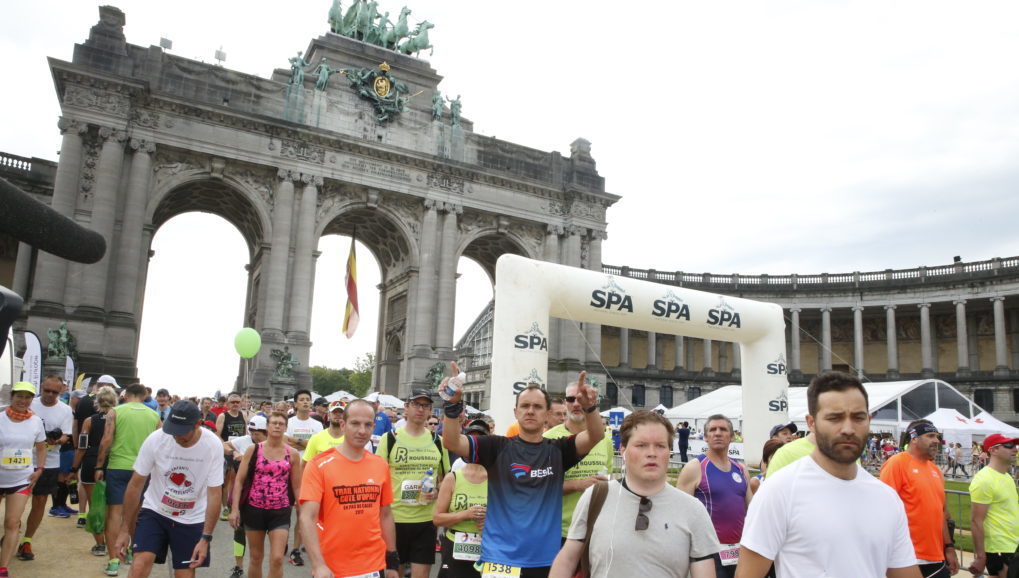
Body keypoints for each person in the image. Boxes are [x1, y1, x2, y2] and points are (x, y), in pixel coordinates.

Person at [736, 371, 920, 578]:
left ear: (868, 420)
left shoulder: (887, 498)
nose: (848, 429)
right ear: (811, 423)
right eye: (835, 418)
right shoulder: (778, 491)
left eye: (858, 418)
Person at [441, 365, 603, 578]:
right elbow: (452, 442)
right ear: (515, 412)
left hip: (545, 559)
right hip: (499, 559)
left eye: (537, 406)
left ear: (547, 414)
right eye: (525, 405)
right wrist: (452, 405)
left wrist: (590, 407)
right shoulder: (496, 447)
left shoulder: (559, 450)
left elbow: (595, 436)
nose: (530, 410)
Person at [550, 411, 718, 578]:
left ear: (669, 452)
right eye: (641, 445)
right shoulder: (596, 496)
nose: (652, 453)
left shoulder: (693, 509)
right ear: (623, 450)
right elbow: (567, 560)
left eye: (660, 445)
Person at [110, 401, 223, 578]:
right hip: (155, 511)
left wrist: (206, 537)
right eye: (172, 430)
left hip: (192, 517)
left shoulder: (213, 445)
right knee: (139, 566)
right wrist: (124, 529)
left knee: (184, 574)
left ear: (197, 424)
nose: (176, 437)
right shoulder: (156, 439)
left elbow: (215, 494)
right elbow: (135, 484)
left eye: (181, 432)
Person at [300, 399, 399, 578]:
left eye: (368, 424)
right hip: (332, 568)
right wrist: (318, 564)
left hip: (373, 565)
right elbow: (307, 517)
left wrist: (392, 562)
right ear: (343, 425)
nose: (362, 430)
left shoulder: (380, 465)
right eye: (355, 423)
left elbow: (385, 514)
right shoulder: (318, 464)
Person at [377, 389, 451, 578]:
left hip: (426, 520)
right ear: (407, 407)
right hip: (394, 519)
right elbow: (378, 479)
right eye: (416, 404)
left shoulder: (437, 441)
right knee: (394, 574)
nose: (420, 409)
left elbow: (446, 480)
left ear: (430, 410)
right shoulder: (390, 439)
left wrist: (436, 491)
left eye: (425, 405)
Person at [95, 382, 161, 576]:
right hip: (143, 470)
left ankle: (114, 561)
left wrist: (99, 465)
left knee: (114, 514)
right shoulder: (154, 415)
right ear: (144, 396)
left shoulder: (115, 411)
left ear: (126, 395)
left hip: (118, 466)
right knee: (136, 514)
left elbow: (106, 440)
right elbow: (160, 444)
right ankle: (132, 551)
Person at [879, 419, 958, 578]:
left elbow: (941, 513)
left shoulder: (935, 470)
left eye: (937, 436)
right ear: (914, 438)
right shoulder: (897, 463)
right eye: (930, 436)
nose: (936, 441)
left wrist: (949, 547)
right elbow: (882, 511)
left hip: (936, 557)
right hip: (908, 558)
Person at [676, 414, 752, 577]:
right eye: (712, 430)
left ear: (732, 436)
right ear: (705, 437)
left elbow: (751, 511)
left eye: (723, 429)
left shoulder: (741, 469)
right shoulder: (694, 468)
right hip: (708, 552)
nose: (717, 433)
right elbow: (678, 514)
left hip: (739, 550)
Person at [230, 411, 301, 578]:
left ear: (285, 427)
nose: (277, 426)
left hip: (280, 511)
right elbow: (239, 481)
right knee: (256, 557)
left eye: (281, 423)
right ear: (267, 427)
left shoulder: (293, 454)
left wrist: (303, 512)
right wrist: (234, 509)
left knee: (277, 558)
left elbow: (297, 486)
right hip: (254, 509)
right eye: (273, 423)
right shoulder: (253, 449)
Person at [543, 380, 613, 542]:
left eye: (581, 399)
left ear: (592, 402)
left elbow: (608, 478)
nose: (576, 404)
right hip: (558, 529)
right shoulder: (548, 439)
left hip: (595, 528)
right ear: (564, 403)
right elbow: (540, 486)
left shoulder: (605, 440)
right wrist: (577, 484)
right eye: (570, 399)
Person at [17, 375, 73, 562]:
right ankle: (12, 530)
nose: (49, 395)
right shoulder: (28, 403)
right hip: (21, 459)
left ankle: (26, 540)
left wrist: (56, 440)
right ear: (41, 387)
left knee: (40, 501)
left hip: (49, 461)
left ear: (61, 392)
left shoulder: (65, 410)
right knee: (14, 500)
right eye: (46, 390)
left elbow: (66, 436)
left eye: (54, 392)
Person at [0, 382, 47, 578]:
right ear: (12, 396)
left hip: (21, 478)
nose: (23, 400)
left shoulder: (36, 422)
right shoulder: (0, 418)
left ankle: (3, 568)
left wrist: (39, 469)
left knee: (12, 522)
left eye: (28, 397)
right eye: (20, 396)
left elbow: (41, 447)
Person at [433, 419, 489, 578]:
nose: (475, 446)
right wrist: (465, 514)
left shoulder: (497, 479)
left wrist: (490, 520)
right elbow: (437, 518)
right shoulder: (453, 478)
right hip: (455, 546)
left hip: (486, 547)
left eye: (480, 441)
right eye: (470, 441)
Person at [72, 385, 119, 557]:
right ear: (115, 401)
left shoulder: (89, 421)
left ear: (96, 402)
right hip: (112, 463)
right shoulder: (119, 419)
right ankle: (115, 545)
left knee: (95, 507)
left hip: (91, 463)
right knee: (112, 508)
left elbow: (82, 447)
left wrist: (73, 468)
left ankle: (100, 545)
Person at [223, 415, 270, 578]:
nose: (254, 436)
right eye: (252, 432)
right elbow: (224, 444)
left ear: (267, 431)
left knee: (262, 534)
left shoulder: (273, 445)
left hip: (265, 497)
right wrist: (234, 453)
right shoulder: (244, 440)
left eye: (259, 433)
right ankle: (238, 566)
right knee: (239, 531)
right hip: (241, 493)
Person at [967, 433, 1019, 578]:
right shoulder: (984, 480)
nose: (1015, 449)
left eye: (1015, 445)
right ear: (992, 450)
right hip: (999, 547)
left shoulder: (1007, 477)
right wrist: (981, 557)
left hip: (1012, 544)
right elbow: (976, 521)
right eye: (1009, 446)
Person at [284, 389, 321, 566]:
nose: (306, 402)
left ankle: (295, 549)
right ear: (295, 404)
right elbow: (283, 442)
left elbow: (316, 445)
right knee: (284, 512)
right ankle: (282, 540)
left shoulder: (318, 425)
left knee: (301, 513)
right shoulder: (288, 423)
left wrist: (295, 440)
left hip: (308, 472)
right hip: (287, 472)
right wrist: (307, 443)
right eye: (302, 400)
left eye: (308, 399)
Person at [216, 392, 250, 522]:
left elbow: (246, 433)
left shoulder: (243, 415)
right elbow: (217, 435)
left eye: (237, 402)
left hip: (240, 452)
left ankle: (237, 506)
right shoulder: (223, 416)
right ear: (227, 404)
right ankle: (225, 507)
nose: (235, 404)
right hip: (227, 451)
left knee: (238, 479)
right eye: (232, 402)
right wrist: (226, 448)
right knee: (226, 481)